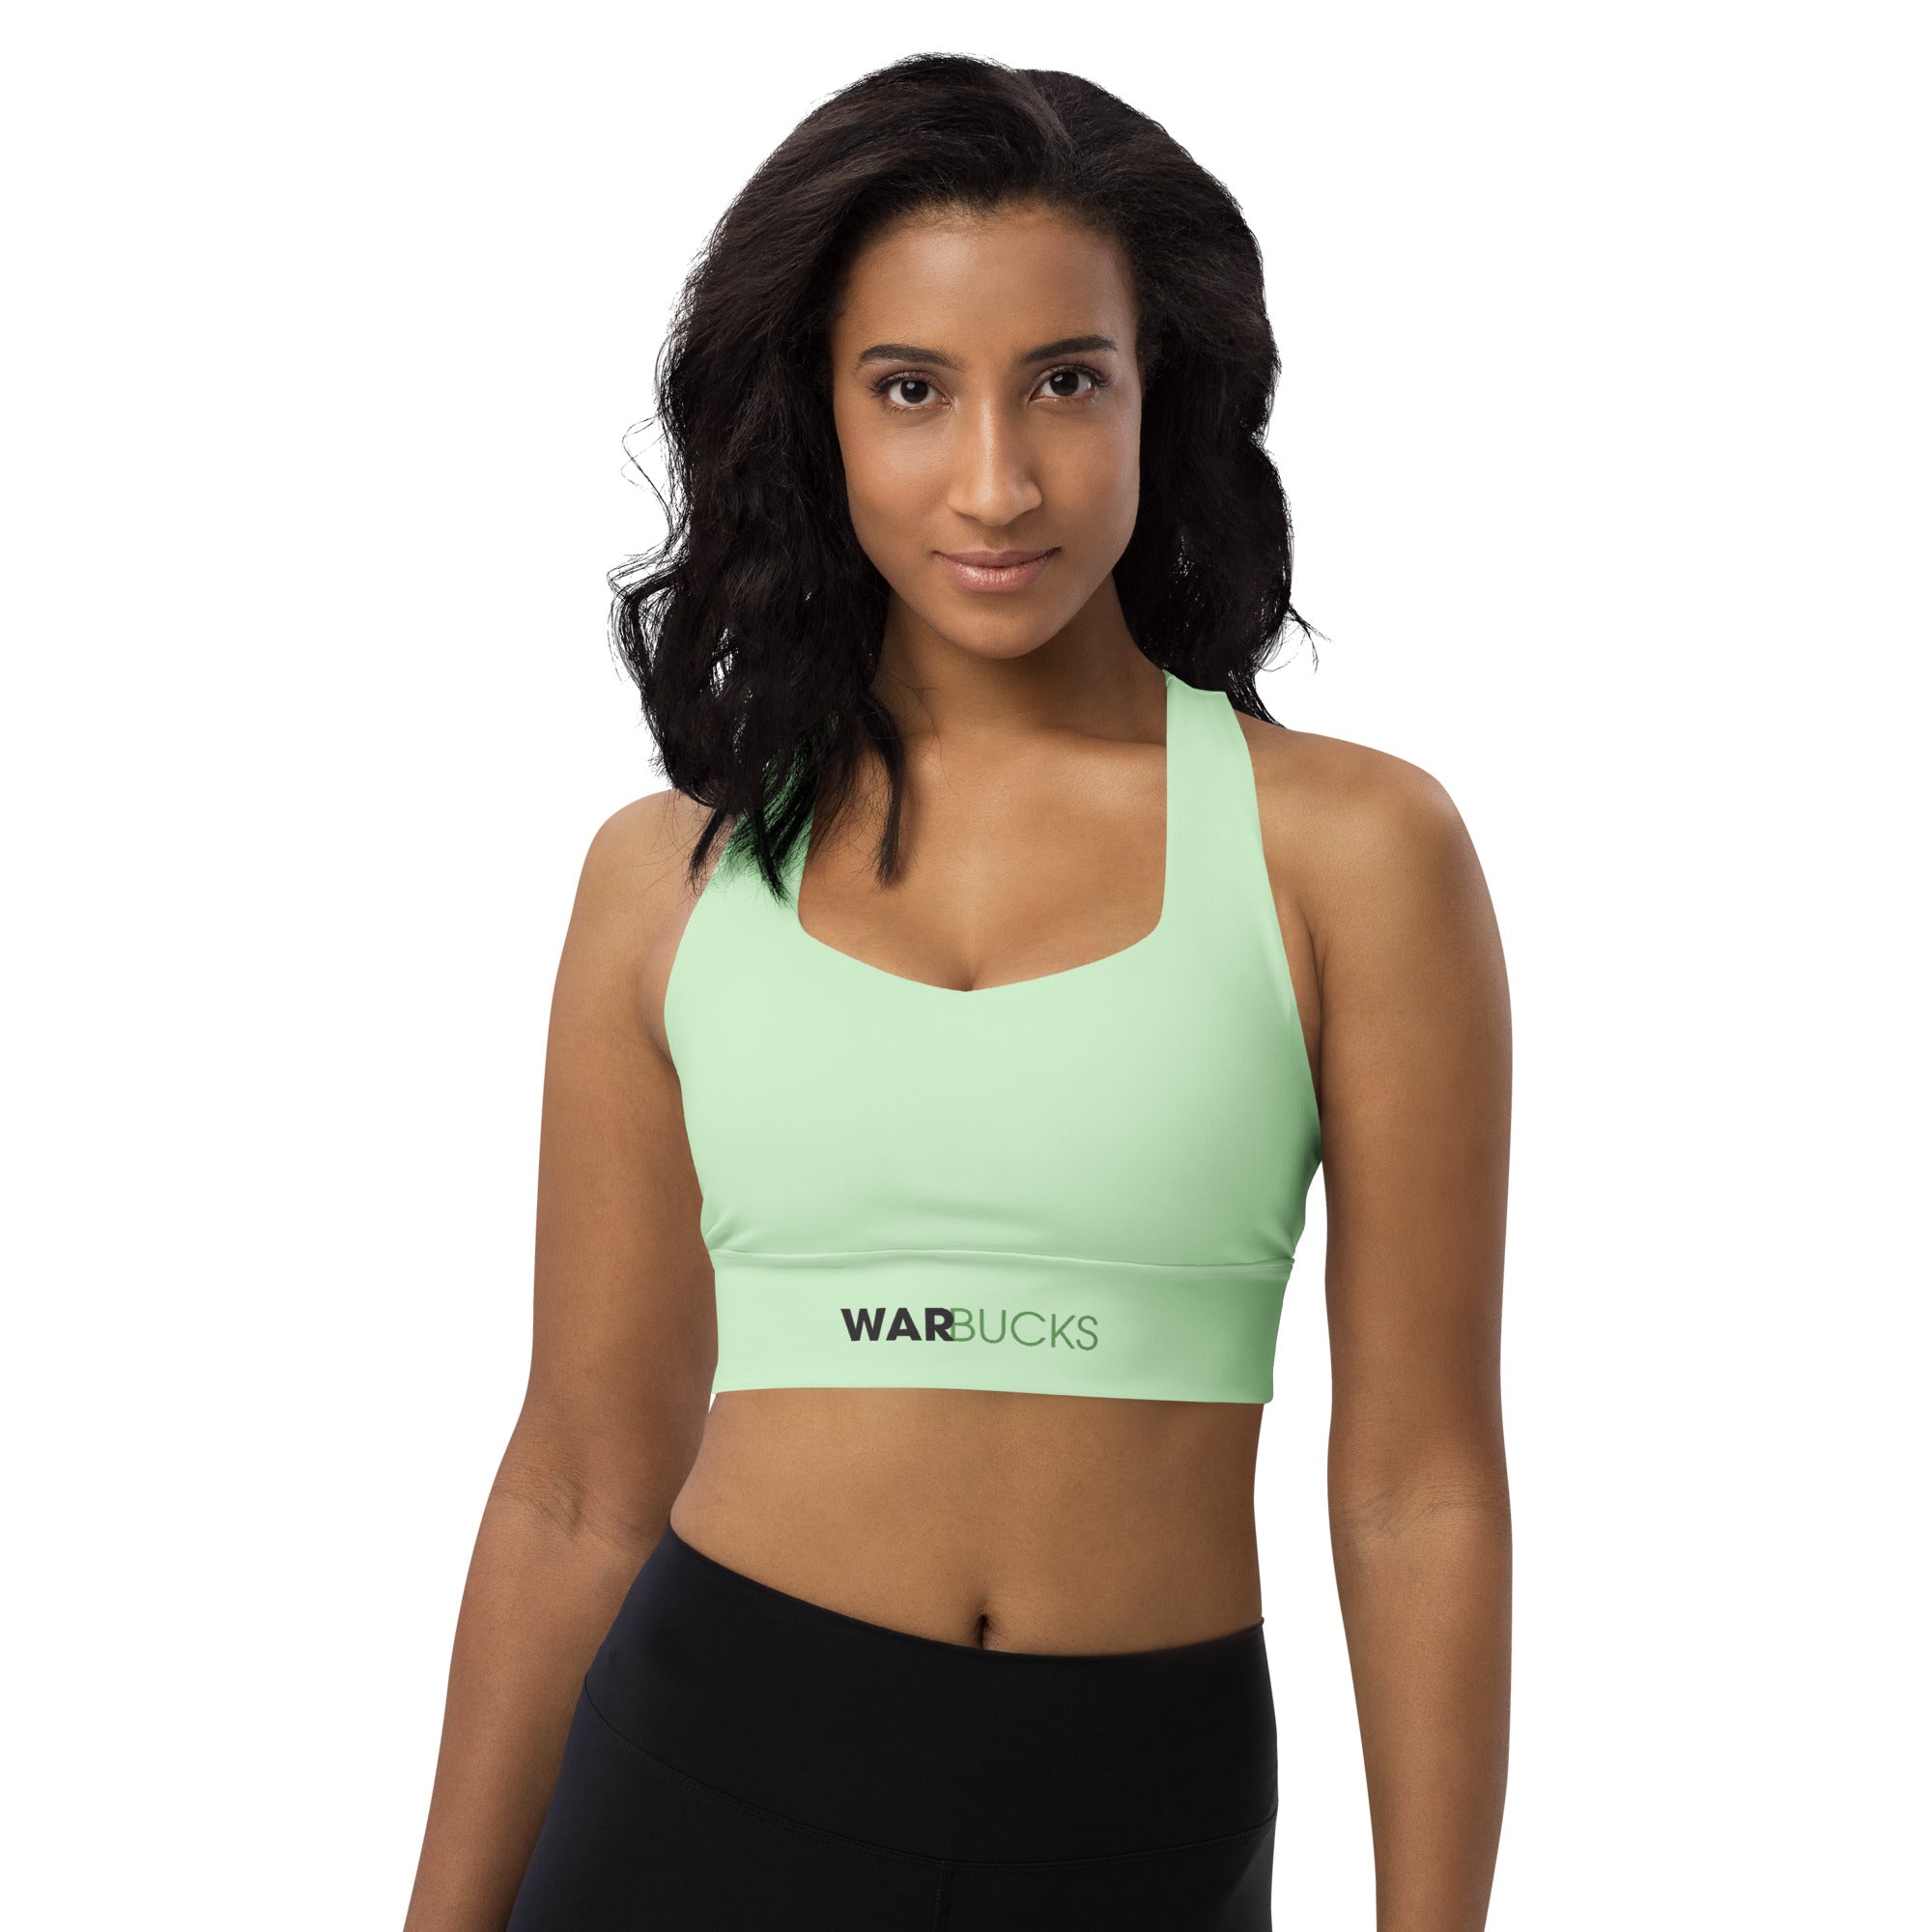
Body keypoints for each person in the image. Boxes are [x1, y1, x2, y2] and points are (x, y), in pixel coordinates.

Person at [403, 52, 1512, 1932]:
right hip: (704, 1782)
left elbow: (1419, 1489)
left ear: (1163, 391)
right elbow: (579, 1485)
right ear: (818, 411)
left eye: (1066, 382)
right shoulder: (664, 881)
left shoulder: (1351, 854)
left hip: (1137, 1825)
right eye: (910, 389)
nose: (996, 483)